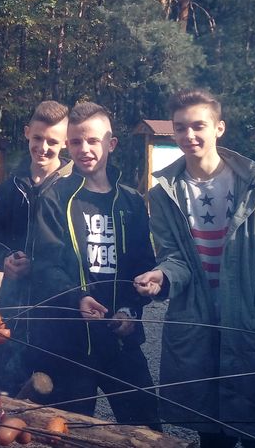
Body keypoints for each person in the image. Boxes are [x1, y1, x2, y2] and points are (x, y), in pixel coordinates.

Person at [135, 89, 255, 447]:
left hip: (248, 320)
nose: (189, 135)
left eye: (198, 126)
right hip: (198, 322)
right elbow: (173, 257)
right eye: (180, 127)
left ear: (219, 128)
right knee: (210, 430)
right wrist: (162, 275)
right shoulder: (162, 193)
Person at [54, 102, 159, 427]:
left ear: (111, 144)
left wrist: (131, 310)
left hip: (122, 337)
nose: (84, 149)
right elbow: (47, 265)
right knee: (69, 432)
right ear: (67, 145)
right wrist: (77, 298)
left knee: (146, 429)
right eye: (76, 141)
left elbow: (144, 264)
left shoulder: (132, 201)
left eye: (93, 140)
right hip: (73, 343)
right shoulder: (55, 197)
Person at [0, 100, 73, 395]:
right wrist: (5, 260)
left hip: (55, 308)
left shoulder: (73, 188)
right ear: (26, 133)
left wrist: (38, 266)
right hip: (11, 305)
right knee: (4, 393)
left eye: (53, 142)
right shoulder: (9, 186)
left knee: (50, 395)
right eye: (37, 138)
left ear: (65, 142)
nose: (43, 147)